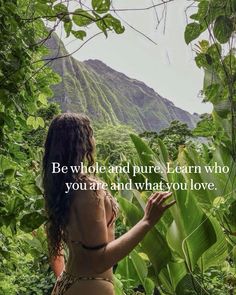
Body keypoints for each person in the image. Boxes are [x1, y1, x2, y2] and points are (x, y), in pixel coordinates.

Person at [42, 112, 176, 295]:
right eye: (91, 134)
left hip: (67, 283)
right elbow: (99, 261)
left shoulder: (59, 186)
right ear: (82, 143)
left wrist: (68, 283)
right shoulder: (89, 190)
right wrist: (147, 221)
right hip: (91, 287)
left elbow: (55, 248)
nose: (94, 139)